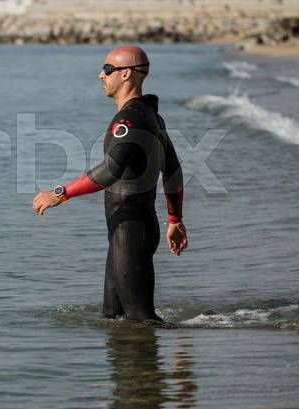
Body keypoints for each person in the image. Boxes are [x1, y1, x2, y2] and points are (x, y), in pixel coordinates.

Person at [32, 45, 188, 321]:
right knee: (114, 319)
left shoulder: (129, 120)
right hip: (129, 227)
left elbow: (111, 170)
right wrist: (174, 219)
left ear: (126, 74)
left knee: (140, 321)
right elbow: (172, 168)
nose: (101, 75)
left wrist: (60, 193)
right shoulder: (150, 115)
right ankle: (157, 360)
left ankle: (182, 357)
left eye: (107, 69)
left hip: (131, 228)